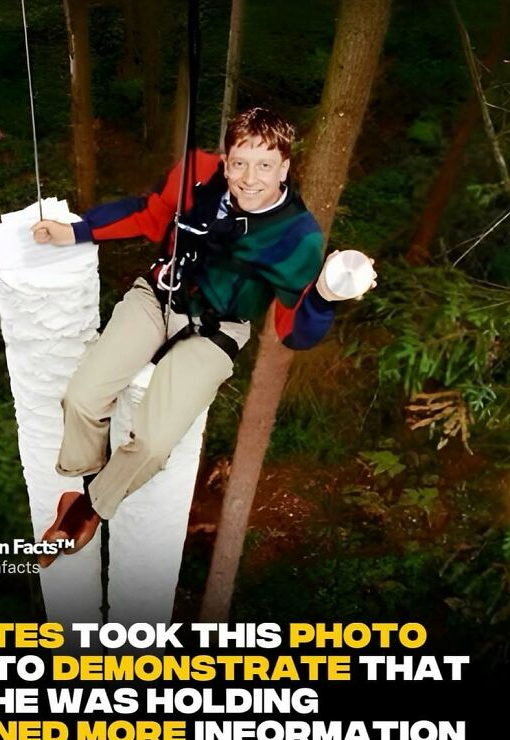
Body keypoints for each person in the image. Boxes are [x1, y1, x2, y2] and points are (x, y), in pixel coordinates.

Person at [32, 107, 375, 566]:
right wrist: (77, 231)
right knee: (81, 397)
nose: (249, 178)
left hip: (217, 331)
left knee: (153, 442)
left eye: (265, 165)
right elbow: (148, 215)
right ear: (225, 157)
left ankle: (91, 507)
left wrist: (326, 295)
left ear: (285, 167)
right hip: (157, 295)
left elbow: (293, 331)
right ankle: (81, 480)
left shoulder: (297, 236)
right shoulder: (197, 173)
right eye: (239, 162)